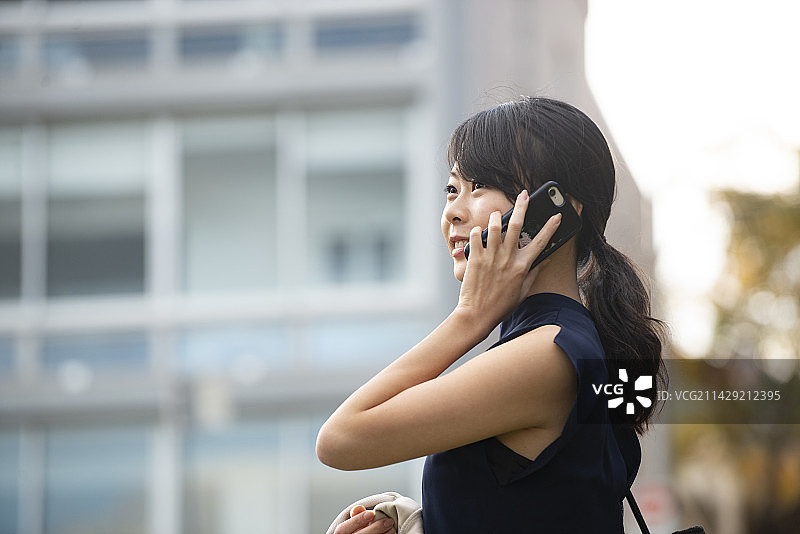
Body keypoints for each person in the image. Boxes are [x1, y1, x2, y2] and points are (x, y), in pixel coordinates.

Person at [316, 96, 666, 533]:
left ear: (558, 210)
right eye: (451, 189)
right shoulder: (562, 342)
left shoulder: (548, 354)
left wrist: (470, 317)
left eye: (480, 185)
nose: (453, 212)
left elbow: (340, 440)